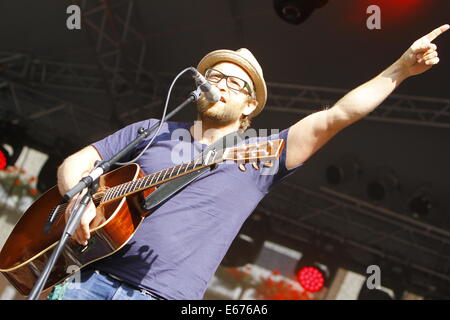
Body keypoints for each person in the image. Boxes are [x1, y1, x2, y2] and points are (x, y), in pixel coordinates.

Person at [49, 25, 449, 300]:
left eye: (233, 83)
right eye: (213, 77)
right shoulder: (152, 129)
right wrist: (79, 198)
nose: (219, 85)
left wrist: (400, 70)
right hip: (88, 276)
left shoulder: (261, 153)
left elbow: (337, 115)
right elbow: (76, 163)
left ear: (250, 105)